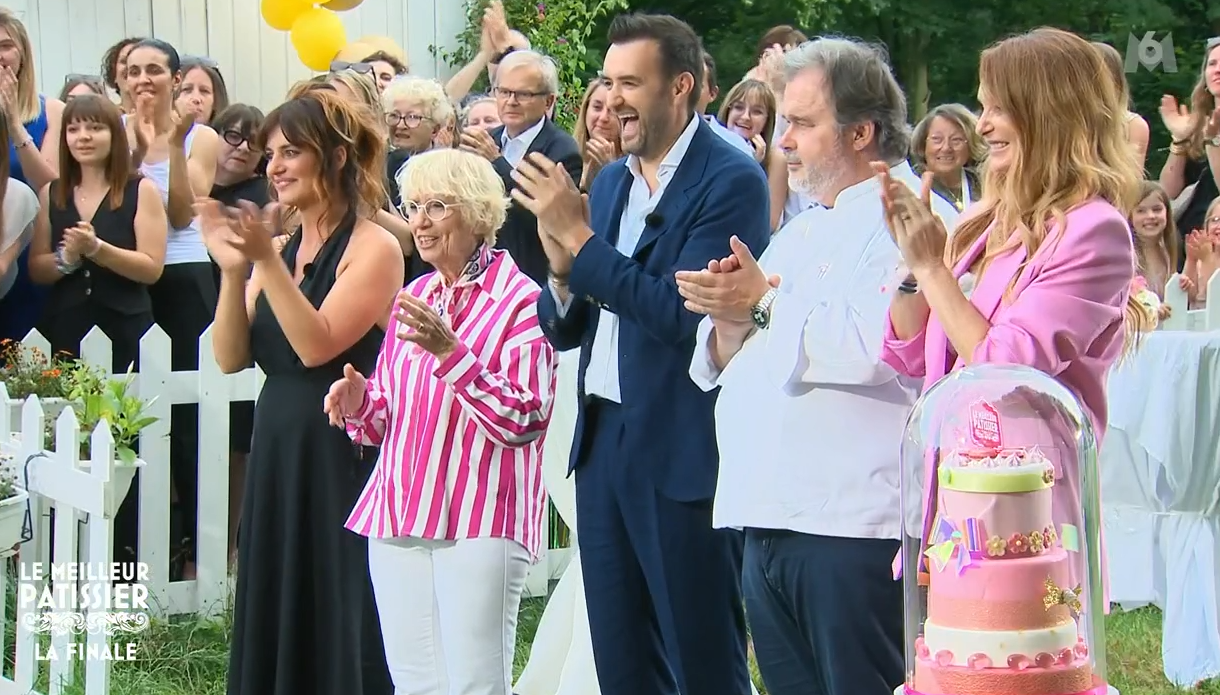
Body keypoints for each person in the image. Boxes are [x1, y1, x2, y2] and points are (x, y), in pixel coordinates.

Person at [677, 37, 959, 695]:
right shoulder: (801, 229)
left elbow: (877, 348)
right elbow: (735, 353)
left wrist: (762, 304)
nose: (784, 141)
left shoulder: (913, 220)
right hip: (767, 512)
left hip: (852, 523)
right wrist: (729, 318)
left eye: (803, 124)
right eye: (785, 123)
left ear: (861, 132)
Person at [511, 13, 770, 695]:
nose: (612, 98)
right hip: (602, 443)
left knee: (701, 658)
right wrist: (562, 271)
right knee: (621, 661)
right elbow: (570, 327)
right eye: (607, 81)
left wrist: (582, 245)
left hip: (679, 446)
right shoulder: (610, 184)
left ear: (680, 86)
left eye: (630, 82)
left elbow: (684, 317)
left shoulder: (730, 179)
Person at [878, 27, 1144, 600]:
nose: (983, 126)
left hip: (1027, 512)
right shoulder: (990, 221)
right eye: (983, 107)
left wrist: (933, 269)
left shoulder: (1094, 232)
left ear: (1048, 114)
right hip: (956, 499)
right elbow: (909, 348)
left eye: (998, 108)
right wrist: (912, 267)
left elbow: (1003, 368)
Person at [324, 147, 556, 695]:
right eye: (412, 208)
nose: (420, 223)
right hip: (399, 511)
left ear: (476, 214)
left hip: (482, 517)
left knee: (475, 685)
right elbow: (384, 420)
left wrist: (452, 355)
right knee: (413, 685)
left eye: (436, 207)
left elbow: (525, 418)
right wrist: (360, 402)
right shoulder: (416, 293)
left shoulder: (522, 301)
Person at [201, 87, 400, 695]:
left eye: (291, 152)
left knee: (335, 598)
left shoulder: (375, 246)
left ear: (336, 156)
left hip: (337, 449)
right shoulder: (282, 250)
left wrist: (265, 263)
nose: (275, 168)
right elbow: (229, 356)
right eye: (271, 155)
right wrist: (234, 271)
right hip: (278, 443)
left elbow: (316, 345)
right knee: (275, 591)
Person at [28, 94, 166, 374]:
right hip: (67, 328)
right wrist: (66, 258)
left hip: (126, 326)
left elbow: (151, 268)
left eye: (95, 128)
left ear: (114, 135)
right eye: (73, 129)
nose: (83, 137)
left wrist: (97, 249)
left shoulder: (141, 190)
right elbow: (37, 269)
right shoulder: (51, 194)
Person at [459, 49, 582, 286]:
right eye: (504, 91)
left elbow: (542, 218)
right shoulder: (489, 139)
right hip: (483, 275)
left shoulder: (562, 149)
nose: (511, 101)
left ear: (548, 101)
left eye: (523, 94)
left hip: (531, 277)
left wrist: (497, 162)